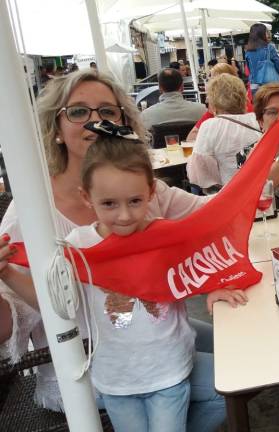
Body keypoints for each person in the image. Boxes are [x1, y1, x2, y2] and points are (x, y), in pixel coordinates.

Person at [0, 70, 222, 428]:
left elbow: (215, 210)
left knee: (235, 342)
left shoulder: (142, 189)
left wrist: (274, 164)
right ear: (55, 128)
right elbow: (17, 319)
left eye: (107, 111)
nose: (94, 121)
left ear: (123, 121)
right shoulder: (29, 213)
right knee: (229, 379)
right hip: (88, 359)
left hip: (151, 333)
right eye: (78, 112)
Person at [67, 131, 246, 431]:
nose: (124, 215)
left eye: (135, 201)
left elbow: (194, 265)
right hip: (115, 380)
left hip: (169, 371)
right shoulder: (77, 245)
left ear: (151, 193)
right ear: (87, 197)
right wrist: (6, 272)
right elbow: (49, 299)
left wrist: (213, 287)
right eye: (109, 203)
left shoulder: (164, 235)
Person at [187, 74, 262, 191]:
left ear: (214, 101)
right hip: (260, 188)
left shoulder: (209, 126)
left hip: (230, 193)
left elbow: (198, 172)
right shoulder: (257, 120)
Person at [186, 63, 254, 142]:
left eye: (212, 79)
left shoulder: (216, 109)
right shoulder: (249, 109)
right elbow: (191, 137)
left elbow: (191, 138)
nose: (208, 84)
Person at [140, 68, 207, 130]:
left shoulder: (146, 115)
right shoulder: (202, 111)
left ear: (160, 88)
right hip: (194, 143)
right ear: (182, 87)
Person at [244, 23, 279, 98]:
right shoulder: (269, 47)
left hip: (254, 85)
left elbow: (250, 70)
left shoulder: (248, 51)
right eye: (265, 31)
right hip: (269, 84)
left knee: (259, 107)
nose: (267, 34)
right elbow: (278, 66)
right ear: (261, 34)